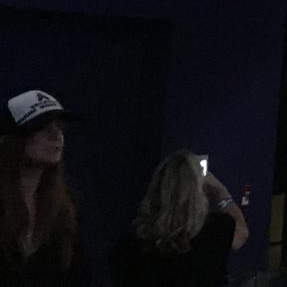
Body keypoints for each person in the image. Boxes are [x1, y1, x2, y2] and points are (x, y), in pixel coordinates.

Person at [109, 152, 249, 287]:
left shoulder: (129, 246)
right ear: (198, 191)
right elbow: (242, 232)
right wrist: (221, 192)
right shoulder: (215, 229)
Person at [0, 90, 89, 287]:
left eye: (59, 126)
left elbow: (78, 274)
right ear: (15, 137)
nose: (56, 135)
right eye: (42, 127)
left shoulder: (66, 208)